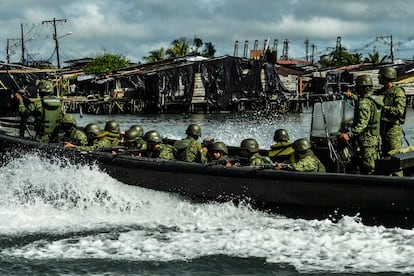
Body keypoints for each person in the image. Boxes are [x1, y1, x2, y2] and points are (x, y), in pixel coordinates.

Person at [340, 75, 381, 174]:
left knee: (368, 167)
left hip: (367, 140)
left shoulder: (363, 103)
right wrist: (351, 96)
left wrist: (348, 135)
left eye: (358, 86)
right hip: (375, 137)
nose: (356, 88)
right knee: (373, 162)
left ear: (362, 87)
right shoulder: (374, 98)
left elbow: (362, 125)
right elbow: (361, 99)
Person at [378, 66, 407, 157]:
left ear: (386, 77)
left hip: (393, 131)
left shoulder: (398, 92)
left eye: (381, 76)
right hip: (383, 130)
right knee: (385, 158)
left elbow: (399, 111)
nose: (379, 78)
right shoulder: (383, 91)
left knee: (395, 158)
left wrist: (383, 108)